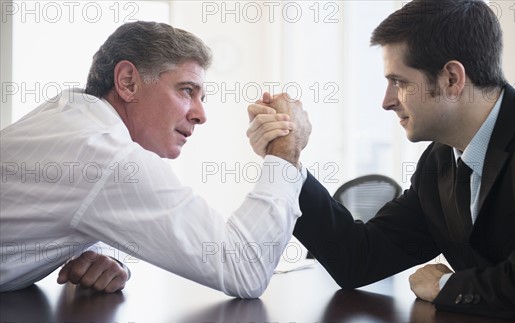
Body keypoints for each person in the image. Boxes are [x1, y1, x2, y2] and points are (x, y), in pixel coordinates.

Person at [248, 0, 515, 323]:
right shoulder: (440, 161)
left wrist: (445, 286)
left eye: (398, 82)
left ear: (451, 78)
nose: (386, 101)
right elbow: (358, 259)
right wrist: (288, 163)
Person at [0, 21, 311, 297]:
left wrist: (100, 251)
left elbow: (69, 200)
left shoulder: (71, 113)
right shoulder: (107, 155)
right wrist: (285, 153)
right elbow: (244, 270)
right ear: (127, 82)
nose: (201, 115)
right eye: (187, 91)